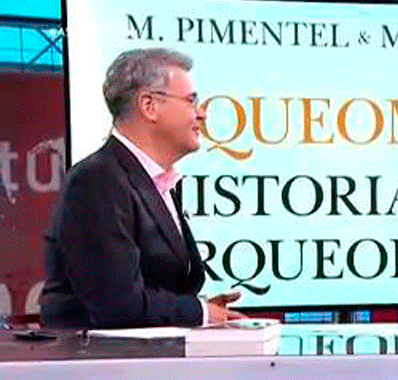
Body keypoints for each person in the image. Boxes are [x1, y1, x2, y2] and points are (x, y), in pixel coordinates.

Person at [40, 48, 246, 328]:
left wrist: (201, 308)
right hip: (100, 356)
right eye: (191, 101)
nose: (201, 114)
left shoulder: (154, 180)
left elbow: (154, 285)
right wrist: (199, 313)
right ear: (149, 105)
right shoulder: (96, 180)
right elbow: (118, 306)